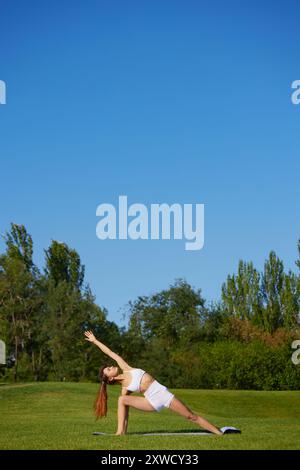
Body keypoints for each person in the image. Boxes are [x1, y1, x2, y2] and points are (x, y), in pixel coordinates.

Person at [84, 330, 223, 436]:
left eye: (110, 366)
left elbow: (109, 352)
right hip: (151, 402)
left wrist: (95, 341)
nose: (111, 366)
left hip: (162, 394)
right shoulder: (125, 389)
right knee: (122, 400)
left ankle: (219, 433)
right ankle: (120, 433)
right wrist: (122, 427)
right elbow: (124, 413)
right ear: (110, 379)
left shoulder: (126, 368)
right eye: (109, 369)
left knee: (190, 416)